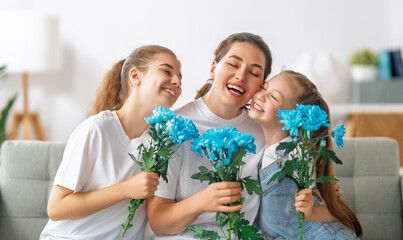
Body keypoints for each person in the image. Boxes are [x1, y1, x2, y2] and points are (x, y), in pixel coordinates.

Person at [40, 45, 182, 240]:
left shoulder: (163, 141)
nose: (177, 81)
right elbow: (56, 207)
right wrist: (125, 189)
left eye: (180, 78)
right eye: (167, 71)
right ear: (135, 76)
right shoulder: (96, 129)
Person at [147, 32, 273, 239]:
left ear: (261, 85)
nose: (241, 76)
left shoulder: (263, 131)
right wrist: (202, 201)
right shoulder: (174, 127)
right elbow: (159, 223)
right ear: (214, 68)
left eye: (254, 72)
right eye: (233, 64)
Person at [249, 70, 362, 239]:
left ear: (294, 118)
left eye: (274, 97)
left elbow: (331, 209)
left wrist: (312, 212)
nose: (260, 95)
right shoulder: (265, 148)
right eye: (264, 87)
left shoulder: (297, 153)